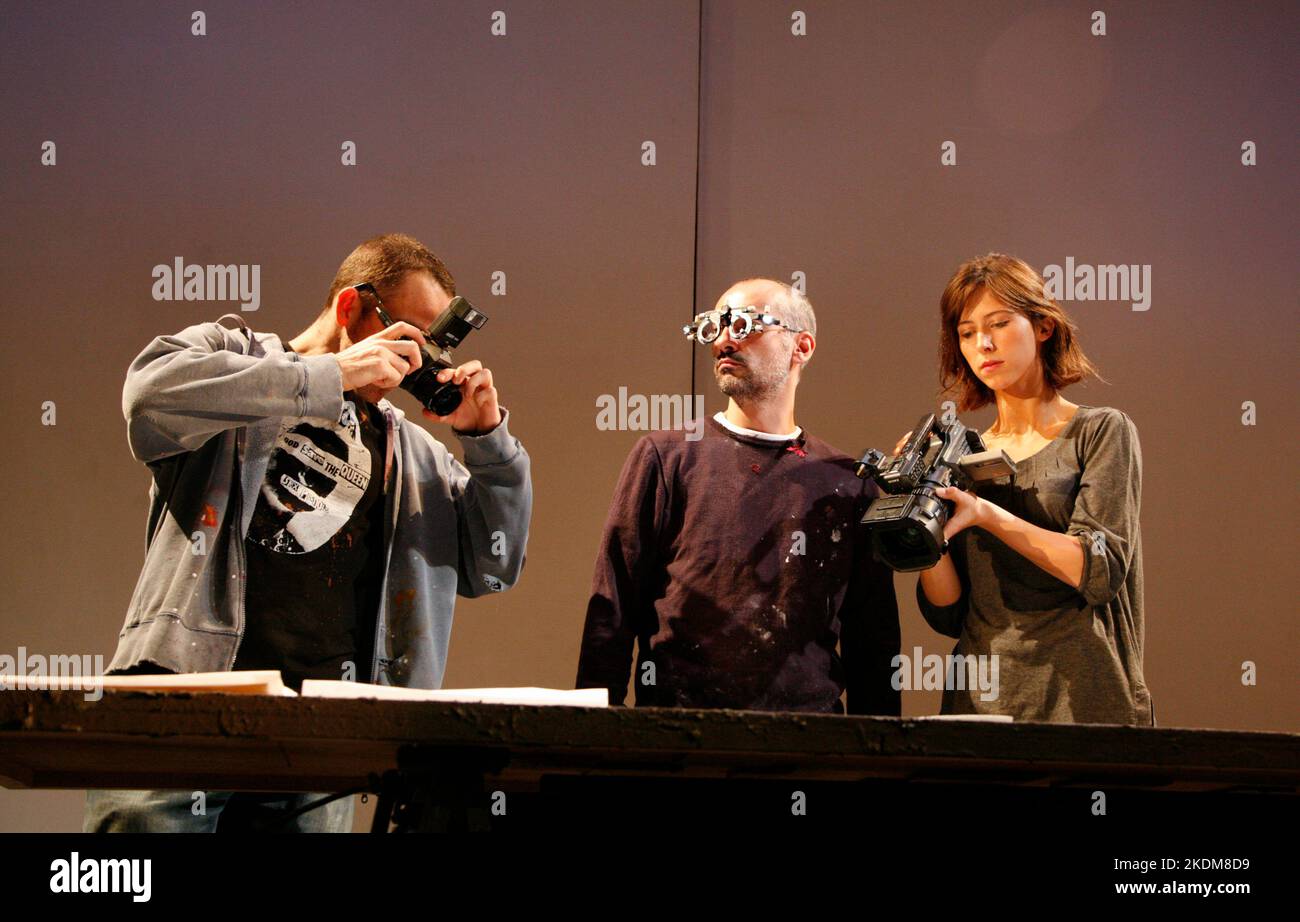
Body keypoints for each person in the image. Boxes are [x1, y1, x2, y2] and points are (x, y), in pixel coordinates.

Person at [84, 233, 532, 832]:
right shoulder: (234, 354)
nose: (415, 364)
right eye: (406, 338)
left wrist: (487, 443)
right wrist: (328, 375)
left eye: (431, 349)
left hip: (317, 746)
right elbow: (148, 398)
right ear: (351, 307)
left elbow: (493, 569)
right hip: (180, 707)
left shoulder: (414, 455)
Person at [575, 278, 900, 715]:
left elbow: (872, 641)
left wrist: (875, 766)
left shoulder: (847, 482)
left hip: (808, 748)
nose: (725, 340)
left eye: (746, 324)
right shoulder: (666, 457)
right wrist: (592, 738)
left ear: (801, 347)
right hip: (679, 745)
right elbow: (612, 612)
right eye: (717, 326)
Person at [910, 253, 1150, 725]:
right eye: (966, 333)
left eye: (999, 324)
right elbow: (948, 615)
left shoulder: (1100, 432)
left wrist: (986, 515)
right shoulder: (960, 454)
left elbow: (1098, 569)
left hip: (1084, 699)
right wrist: (921, 517)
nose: (983, 344)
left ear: (1043, 326)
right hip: (982, 703)